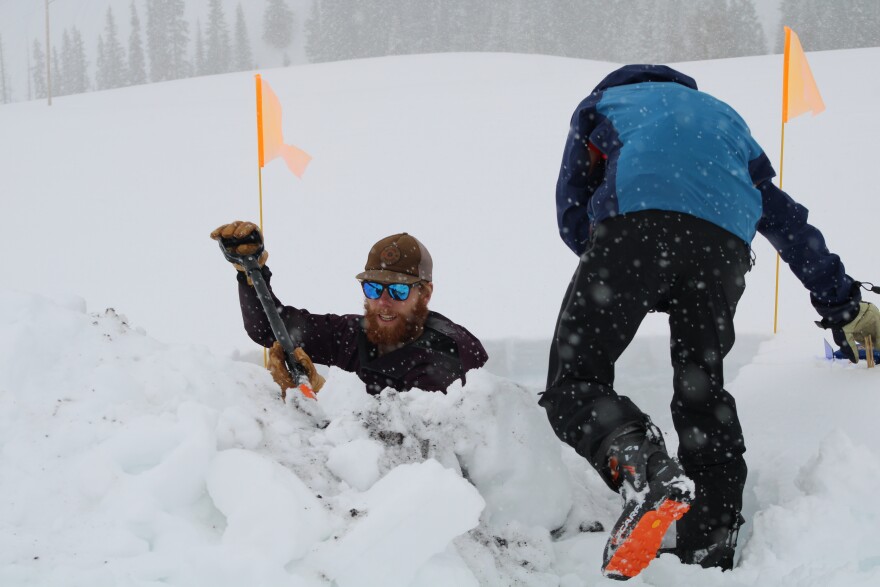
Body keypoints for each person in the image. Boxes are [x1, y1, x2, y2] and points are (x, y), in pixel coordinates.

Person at [539, 64, 880, 580]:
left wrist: (617, 273)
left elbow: (571, 209)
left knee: (575, 381)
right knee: (703, 393)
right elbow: (786, 220)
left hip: (631, 231)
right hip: (720, 252)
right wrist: (842, 304)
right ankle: (711, 547)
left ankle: (646, 470)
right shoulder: (727, 121)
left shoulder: (601, 106)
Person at [211, 221, 488, 395]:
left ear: (425, 293)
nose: (383, 301)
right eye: (373, 288)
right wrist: (251, 273)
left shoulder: (451, 352)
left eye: (399, 290)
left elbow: (412, 446)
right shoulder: (354, 334)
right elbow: (269, 328)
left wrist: (321, 394)